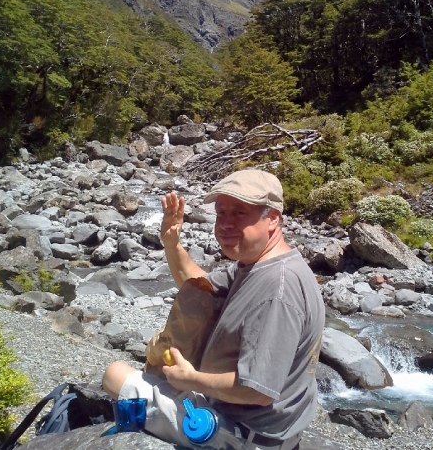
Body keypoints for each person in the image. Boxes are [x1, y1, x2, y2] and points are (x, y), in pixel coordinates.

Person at [102, 169, 325, 449]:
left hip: (241, 434)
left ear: (272, 219)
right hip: (246, 419)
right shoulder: (256, 265)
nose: (225, 224)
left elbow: (257, 391)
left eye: (239, 213)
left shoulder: (276, 289)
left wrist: (190, 379)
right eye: (221, 213)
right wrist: (172, 243)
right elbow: (199, 287)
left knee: (115, 374)